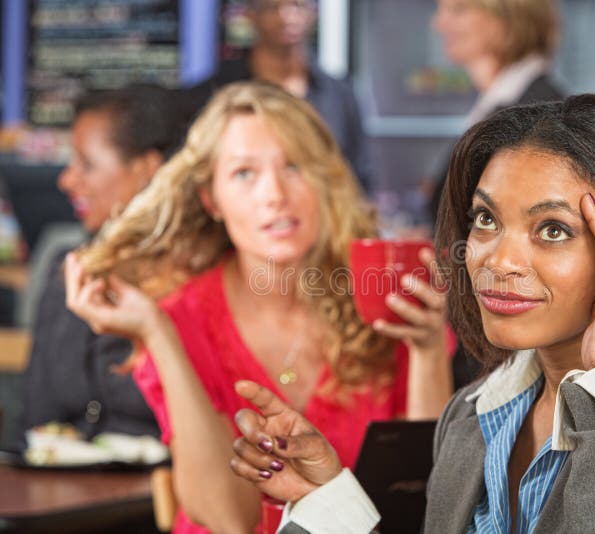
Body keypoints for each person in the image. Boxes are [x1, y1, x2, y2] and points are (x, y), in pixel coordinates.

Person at [229, 95, 595, 533]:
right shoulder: (475, 411)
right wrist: (328, 497)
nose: (498, 260)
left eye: (552, 230)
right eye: (485, 221)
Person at [65, 81, 453, 533]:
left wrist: (426, 350)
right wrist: (157, 334)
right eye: (244, 173)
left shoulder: (375, 298)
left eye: (293, 166)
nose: (274, 194)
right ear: (211, 198)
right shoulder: (179, 318)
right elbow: (231, 520)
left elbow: (425, 497)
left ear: (323, 181)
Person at [19, 84, 182, 445]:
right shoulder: (69, 270)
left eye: (86, 164)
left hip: (157, 494)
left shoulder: (194, 280)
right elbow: (34, 423)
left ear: (146, 169)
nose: (66, 180)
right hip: (62, 491)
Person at [430, 0, 564, 387]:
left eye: (458, 10)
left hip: (505, 350)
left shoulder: (535, 113)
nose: (440, 23)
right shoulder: (500, 104)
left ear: (506, 16)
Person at [182, 0, 371, 191]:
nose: (287, 16)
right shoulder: (214, 93)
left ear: (313, 12)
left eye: (298, 5)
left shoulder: (340, 94)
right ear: (251, 13)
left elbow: (360, 176)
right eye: (272, 7)